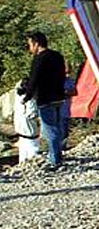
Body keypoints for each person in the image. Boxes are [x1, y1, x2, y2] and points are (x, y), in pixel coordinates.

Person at [25, 31, 66, 168]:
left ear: (36, 44)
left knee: (50, 130)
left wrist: (27, 96)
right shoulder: (57, 56)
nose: (30, 48)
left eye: (30, 45)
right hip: (59, 96)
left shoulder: (39, 59)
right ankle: (58, 154)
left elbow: (34, 79)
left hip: (45, 98)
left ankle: (55, 161)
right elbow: (62, 75)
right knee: (58, 128)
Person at [13, 80, 41, 163]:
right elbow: (32, 114)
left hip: (19, 127)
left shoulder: (18, 97)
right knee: (32, 148)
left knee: (23, 150)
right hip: (29, 129)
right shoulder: (30, 100)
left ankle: (22, 164)